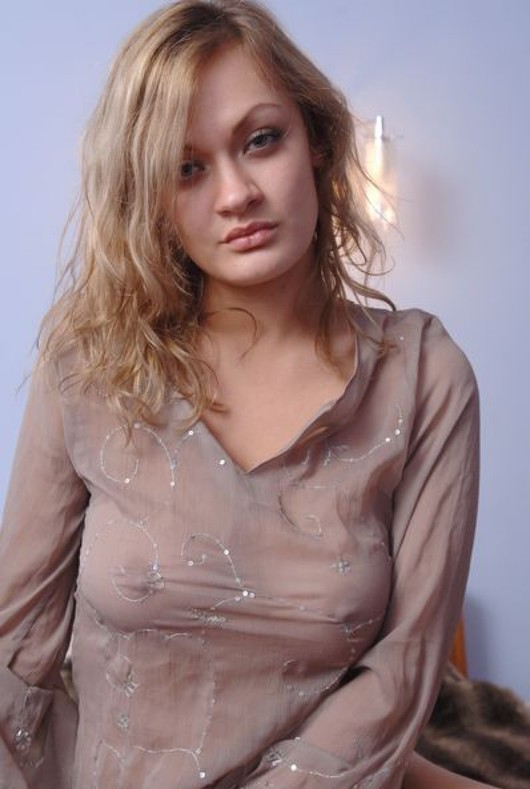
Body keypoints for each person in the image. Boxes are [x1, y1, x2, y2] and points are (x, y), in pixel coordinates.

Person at [0, 2, 498, 787]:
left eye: (261, 140)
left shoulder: (424, 376)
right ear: (152, 198)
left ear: (316, 140)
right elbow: (15, 659)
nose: (236, 194)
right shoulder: (90, 362)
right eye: (186, 168)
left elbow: (404, 667)